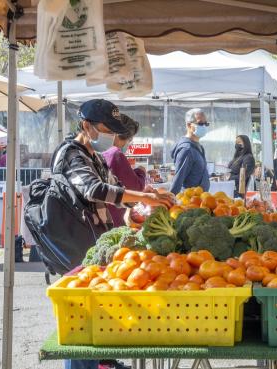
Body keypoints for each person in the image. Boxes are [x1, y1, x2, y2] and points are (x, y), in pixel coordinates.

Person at [59, 99, 174, 369]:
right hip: (73, 241)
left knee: (94, 317)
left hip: (92, 241)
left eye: (113, 129)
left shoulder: (94, 156)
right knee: (79, 319)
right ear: (86, 125)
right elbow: (95, 190)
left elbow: (117, 190)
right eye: (106, 128)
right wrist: (144, 197)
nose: (111, 135)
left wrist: (145, 201)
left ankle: (101, 362)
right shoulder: (71, 154)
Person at [101, 114, 147, 227]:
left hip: (99, 216)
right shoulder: (115, 153)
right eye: (129, 139)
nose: (129, 143)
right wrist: (141, 172)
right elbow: (135, 187)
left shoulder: (97, 151)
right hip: (113, 217)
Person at [169, 108, 210, 194]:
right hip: (189, 201)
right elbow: (178, 180)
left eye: (206, 123)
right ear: (188, 125)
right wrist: (169, 202)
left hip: (200, 200)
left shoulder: (198, 147)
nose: (204, 126)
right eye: (200, 123)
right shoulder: (187, 149)